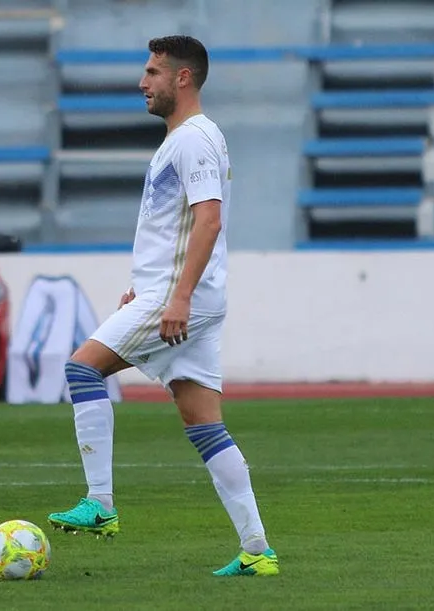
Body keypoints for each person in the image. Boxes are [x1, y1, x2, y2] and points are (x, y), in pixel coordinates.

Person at [47, 35, 278, 577]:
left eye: (153, 72)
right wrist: (149, 285)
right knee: (204, 424)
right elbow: (175, 227)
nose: (142, 82)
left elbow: (209, 219)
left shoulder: (194, 139)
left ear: (183, 78)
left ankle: (100, 505)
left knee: (83, 369)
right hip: (178, 295)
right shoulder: (184, 139)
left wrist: (175, 295)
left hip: (182, 299)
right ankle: (257, 550)